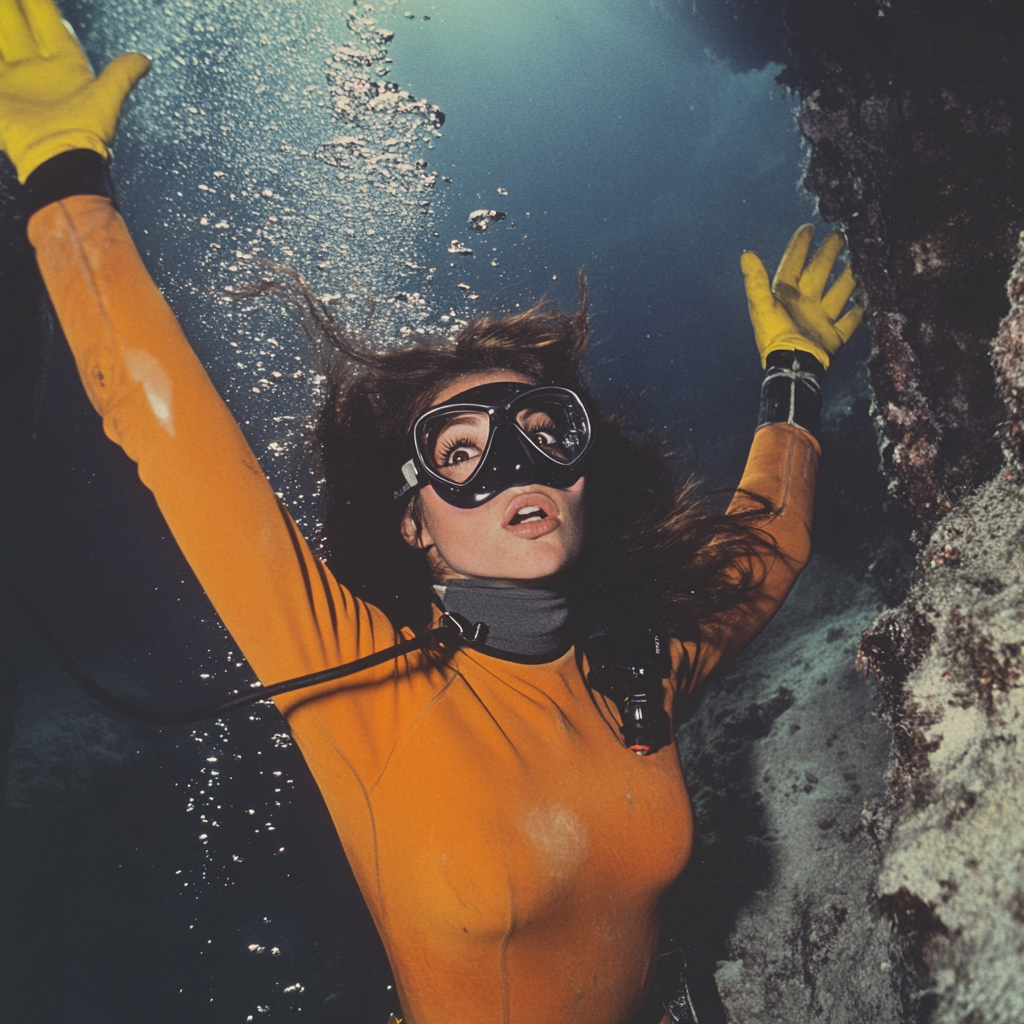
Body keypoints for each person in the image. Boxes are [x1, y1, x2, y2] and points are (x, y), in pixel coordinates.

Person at [0, 1, 862, 1022]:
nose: (515, 468)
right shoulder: (362, 683)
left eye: (545, 431)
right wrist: (64, 185)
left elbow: (767, 543)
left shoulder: (631, 670)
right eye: (461, 454)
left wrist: (795, 372)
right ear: (414, 521)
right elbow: (183, 450)